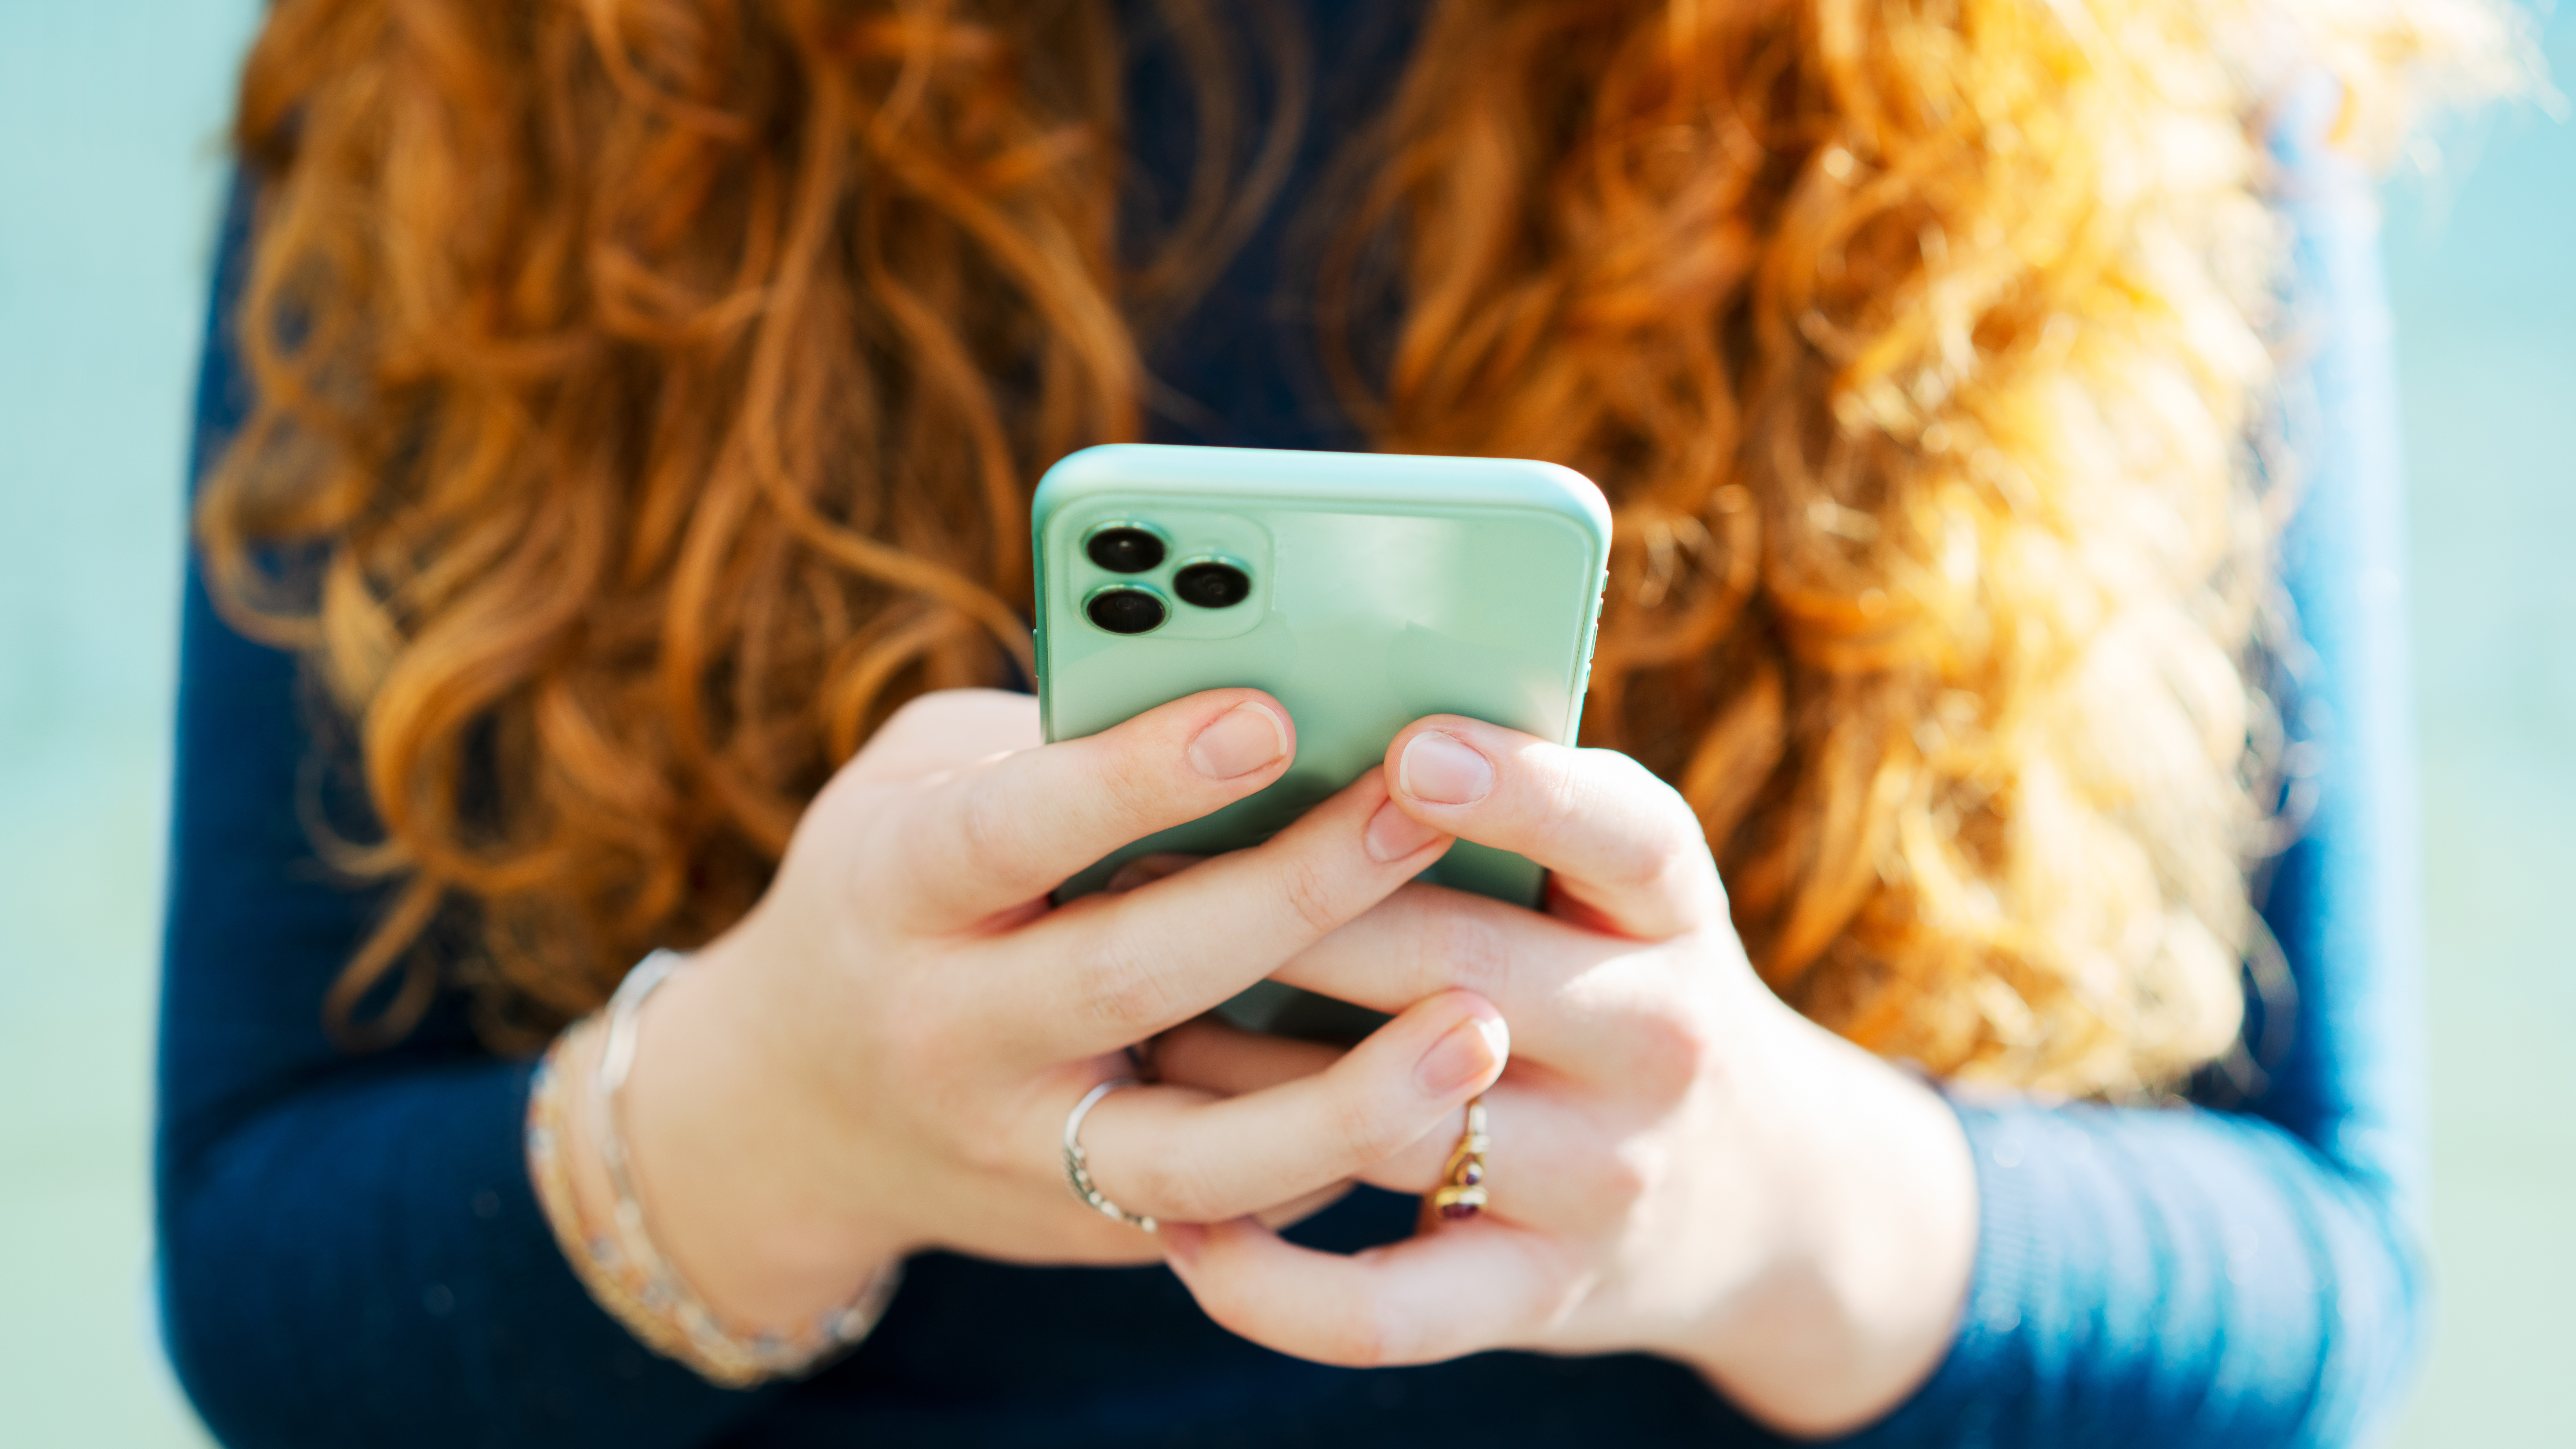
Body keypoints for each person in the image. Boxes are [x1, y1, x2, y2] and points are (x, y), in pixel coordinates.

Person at [155, 0, 2515, 1444]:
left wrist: (1757, 1203)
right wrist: (770, 1127)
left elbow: (2318, 1271)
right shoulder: (472, 58)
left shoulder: (2117, 59)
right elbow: (265, 1272)